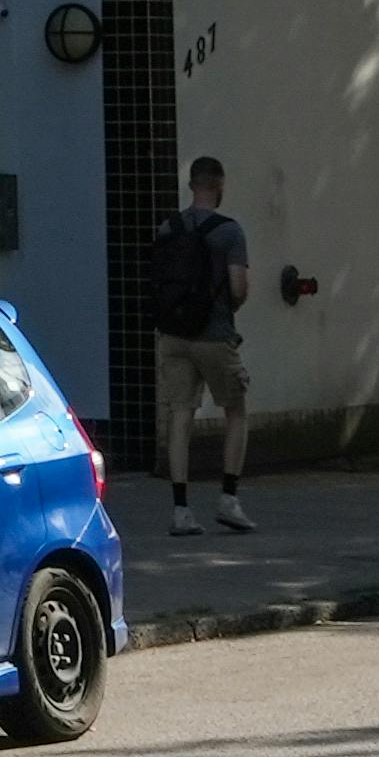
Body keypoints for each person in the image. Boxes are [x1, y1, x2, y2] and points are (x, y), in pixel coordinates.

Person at [142, 156, 255, 531]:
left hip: (173, 336)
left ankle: (181, 510)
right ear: (219, 185)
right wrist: (225, 308)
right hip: (214, 335)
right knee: (235, 409)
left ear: (191, 185)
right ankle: (228, 498)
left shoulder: (167, 228)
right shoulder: (229, 231)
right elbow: (238, 288)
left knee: (180, 414)